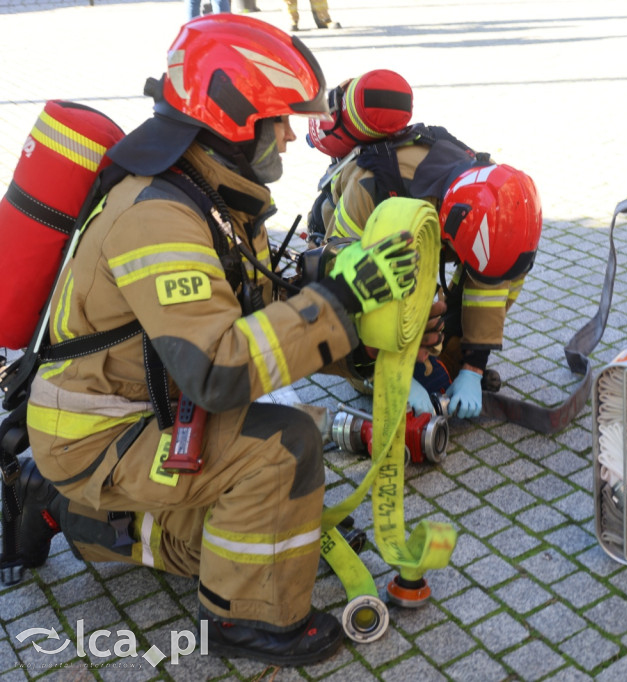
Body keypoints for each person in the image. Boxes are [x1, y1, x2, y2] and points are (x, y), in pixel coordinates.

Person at [15, 15, 421, 667]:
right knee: (283, 450)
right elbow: (219, 370)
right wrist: (335, 307)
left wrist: (353, 324)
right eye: (279, 117)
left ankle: (73, 518)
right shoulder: (158, 214)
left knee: (274, 527)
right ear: (232, 118)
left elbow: (250, 313)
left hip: (147, 405)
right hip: (95, 433)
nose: (290, 133)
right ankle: (248, 621)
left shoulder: (214, 196)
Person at [306, 71, 543, 420]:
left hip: (421, 230)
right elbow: (335, 282)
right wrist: (386, 372)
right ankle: (373, 376)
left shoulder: (487, 198)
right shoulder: (371, 188)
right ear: (449, 222)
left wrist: (472, 370)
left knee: (495, 275)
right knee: (385, 301)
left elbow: (489, 284)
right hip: (357, 248)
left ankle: (453, 360)